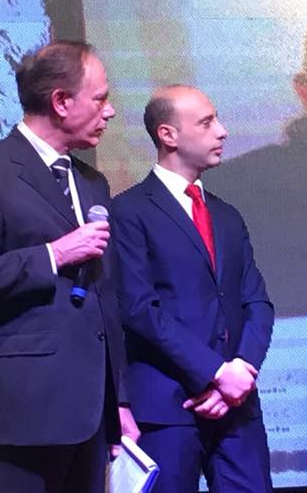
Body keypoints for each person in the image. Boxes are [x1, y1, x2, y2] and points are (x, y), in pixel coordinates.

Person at [0, 40, 137, 493]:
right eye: (100, 98)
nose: (110, 111)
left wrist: (120, 401)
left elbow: (104, 295)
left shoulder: (91, 182)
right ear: (60, 101)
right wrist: (52, 255)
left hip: (90, 414)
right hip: (17, 411)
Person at [110, 85, 275, 492]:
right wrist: (215, 372)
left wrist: (242, 371)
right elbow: (140, 308)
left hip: (237, 406)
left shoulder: (227, 215)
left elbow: (257, 302)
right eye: (206, 122)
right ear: (168, 134)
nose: (222, 131)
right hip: (168, 406)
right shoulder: (129, 211)